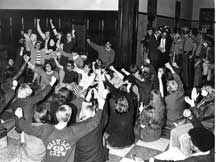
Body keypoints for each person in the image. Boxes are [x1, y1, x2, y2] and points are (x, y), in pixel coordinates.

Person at [15, 102, 104, 162]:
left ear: (56, 115)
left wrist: (20, 117)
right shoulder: (74, 131)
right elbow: (94, 123)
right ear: (69, 118)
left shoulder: (46, 129)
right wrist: (100, 107)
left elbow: (27, 128)